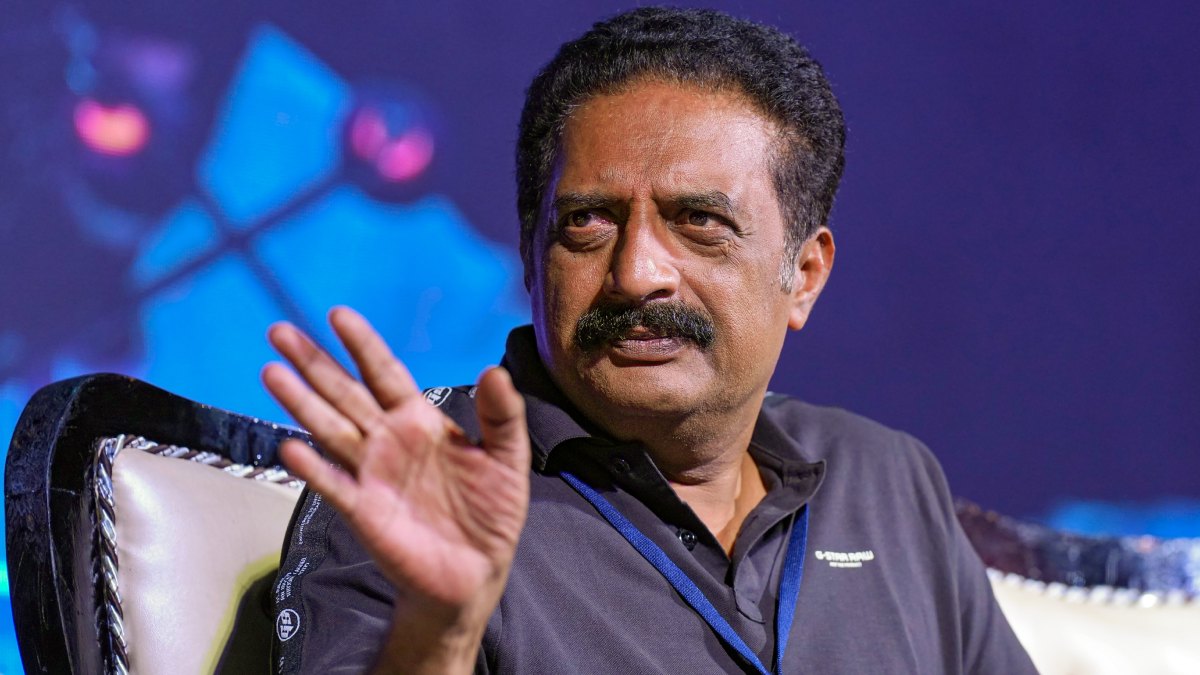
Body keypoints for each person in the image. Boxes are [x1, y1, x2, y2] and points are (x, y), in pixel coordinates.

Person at [262, 7, 1038, 674]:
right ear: (531, 253)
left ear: (803, 275)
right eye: (587, 221)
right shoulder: (422, 486)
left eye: (699, 221)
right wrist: (440, 632)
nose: (636, 274)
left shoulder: (885, 478)